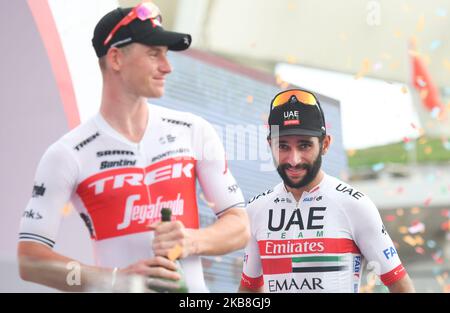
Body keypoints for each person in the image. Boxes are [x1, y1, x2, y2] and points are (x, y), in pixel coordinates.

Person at [18, 2, 249, 292]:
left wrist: (191, 241)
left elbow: (240, 226)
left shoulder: (193, 130)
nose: (167, 67)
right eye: (154, 54)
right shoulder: (67, 153)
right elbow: (30, 261)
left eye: (165, 55)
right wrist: (113, 280)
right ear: (115, 59)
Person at [239, 89, 415, 293]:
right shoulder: (255, 209)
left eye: (304, 146)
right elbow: (249, 289)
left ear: (325, 144)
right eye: (283, 146)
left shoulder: (355, 205)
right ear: (270, 145)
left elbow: (400, 285)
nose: (294, 160)